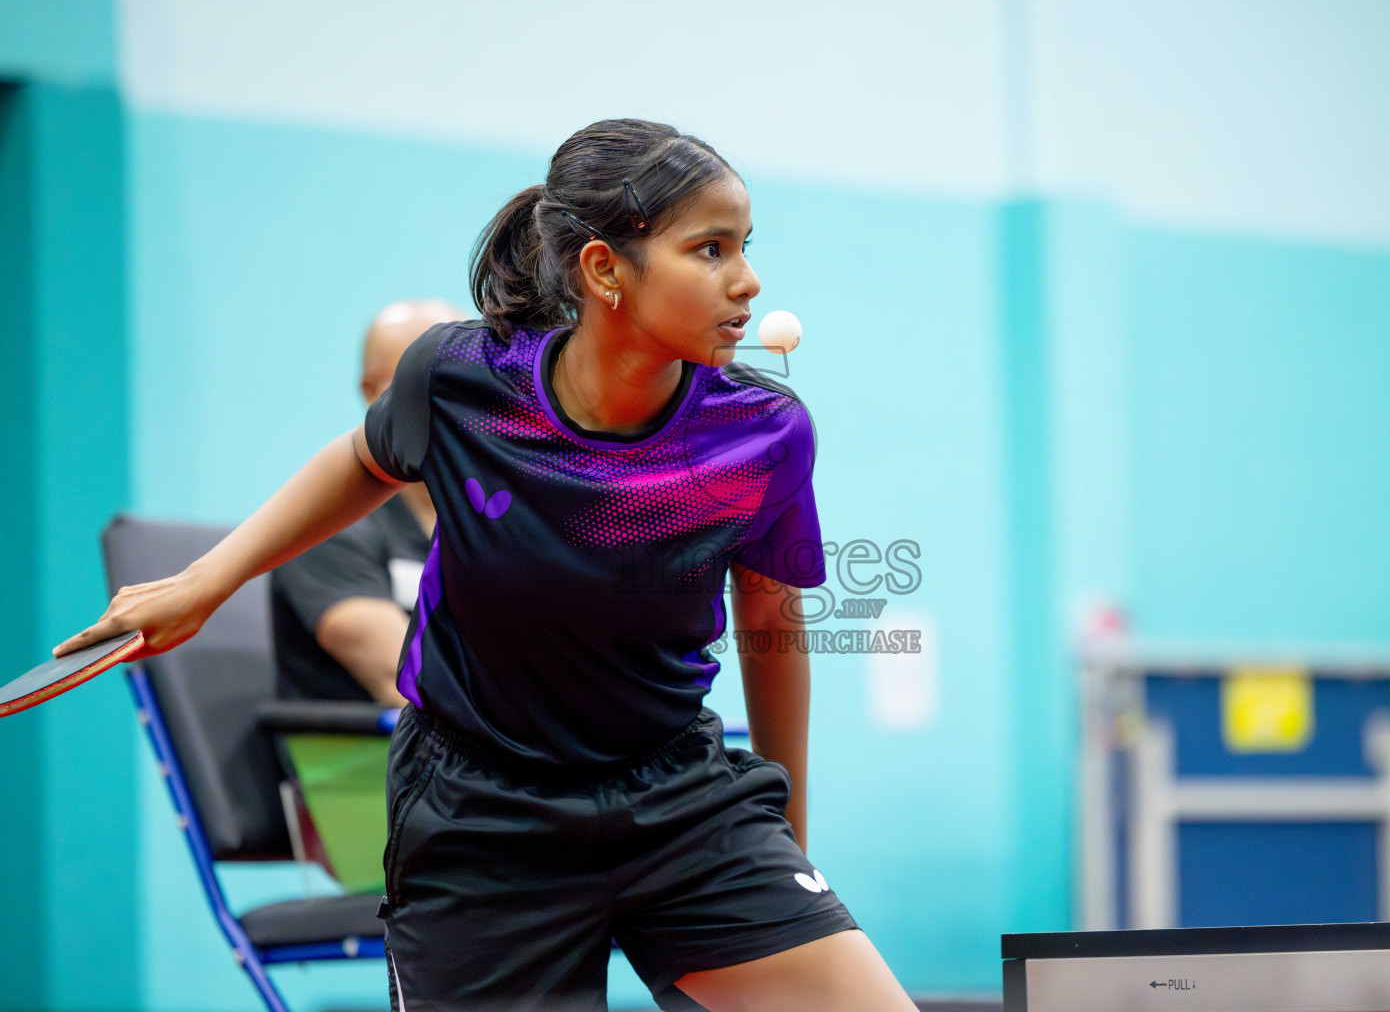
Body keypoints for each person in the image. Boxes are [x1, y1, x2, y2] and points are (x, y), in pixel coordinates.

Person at [57, 118, 918, 1012]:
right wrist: (206, 581)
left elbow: (771, 617)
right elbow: (362, 459)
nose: (747, 282)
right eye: (709, 249)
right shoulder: (467, 379)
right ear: (603, 269)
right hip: (481, 816)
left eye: (744, 247)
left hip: (676, 798)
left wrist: (788, 833)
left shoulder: (761, 429)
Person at [270, 300, 462, 707]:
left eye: (470, 381)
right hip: (368, 761)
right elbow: (410, 683)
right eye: (431, 381)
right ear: (374, 392)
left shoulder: (491, 517)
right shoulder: (326, 526)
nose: (459, 401)